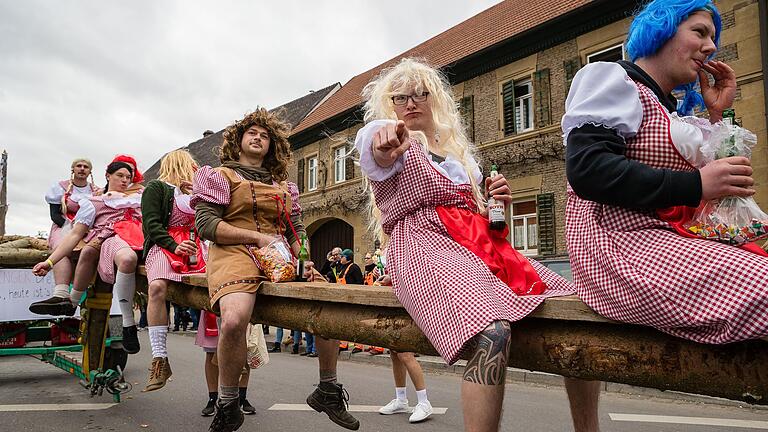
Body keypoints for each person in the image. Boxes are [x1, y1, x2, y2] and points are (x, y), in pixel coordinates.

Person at [355, 58, 597, 432]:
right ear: (389, 105)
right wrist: (382, 140)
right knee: (493, 332)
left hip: (479, 248)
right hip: (424, 246)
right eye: (400, 97)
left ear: (435, 98)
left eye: (421, 93)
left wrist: (496, 202)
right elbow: (375, 146)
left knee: (579, 313)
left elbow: (481, 220)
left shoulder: (460, 155)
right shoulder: (392, 140)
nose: (411, 103)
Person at [563, 0, 768, 408]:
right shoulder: (610, 78)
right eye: (700, 32)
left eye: (714, 37)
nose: (711, 47)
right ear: (661, 29)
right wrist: (695, 184)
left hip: (659, 241)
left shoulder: (670, 108)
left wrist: (715, 113)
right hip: (615, 245)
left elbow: (709, 192)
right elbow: (587, 170)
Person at [193, 108, 359, 431]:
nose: (258, 138)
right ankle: (228, 404)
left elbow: (295, 227)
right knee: (234, 319)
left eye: (264, 135)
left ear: (271, 145)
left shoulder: (283, 184)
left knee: (327, 300)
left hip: (278, 255)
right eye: (251, 133)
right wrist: (255, 236)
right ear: (239, 141)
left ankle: (328, 388)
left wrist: (305, 259)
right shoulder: (220, 176)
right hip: (233, 252)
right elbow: (206, 224)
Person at [32, 157, 144, 354]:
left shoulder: (138, 198)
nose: (125, 180)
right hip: (111, 237)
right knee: (99, 253)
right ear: (107, 176)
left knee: (94, 252)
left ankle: (127, 324)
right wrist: (49, 262)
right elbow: (75, 234)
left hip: (139, 238)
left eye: (128, 176)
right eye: (120, 175)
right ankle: (70, 301)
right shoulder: (94, 202)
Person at [141, 149, 207, 392]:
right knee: (157, 287)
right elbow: (151, 225)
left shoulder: (196, 192)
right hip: (164, 246)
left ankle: (229, 348)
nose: (194, 169)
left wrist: (202, 193)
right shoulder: (156, 188)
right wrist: (175, 245)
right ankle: (160, 358)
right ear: (180, 165)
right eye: (192, 165)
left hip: (197, 248)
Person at [29, 158, 99, 315]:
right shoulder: (59, 187)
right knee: (63, 248)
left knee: (90, 250)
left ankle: (75, 299)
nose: (82, 169)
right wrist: (72, 228)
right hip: (63, 225)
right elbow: (55, 215)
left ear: (90, 171)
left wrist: (84, 229)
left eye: (86, 167)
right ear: (73, 169)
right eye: (79, 166)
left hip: (89, 228)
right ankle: (60, 294)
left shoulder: (96, 191)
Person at [198, 310, 256, 417]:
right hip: (214, 306)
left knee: (243, 350)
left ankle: (242, 398)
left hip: (239, 303)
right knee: (211, 353)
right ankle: (212, 398)